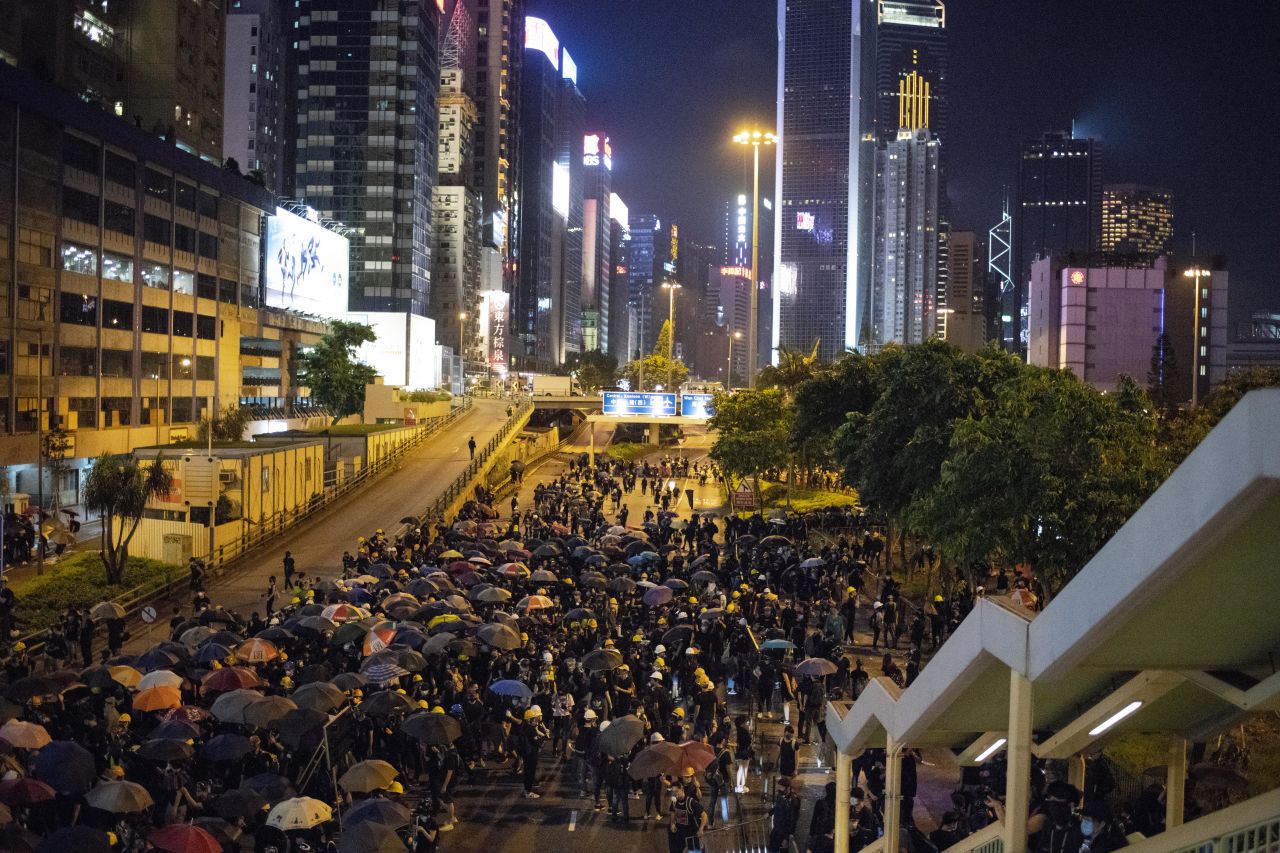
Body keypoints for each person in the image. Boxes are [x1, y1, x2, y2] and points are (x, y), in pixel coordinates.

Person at [668, 775, 708, 853]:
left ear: (682, 790)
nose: (675, 793)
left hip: (691, 832)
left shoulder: (691, 802)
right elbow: (673, 812)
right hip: (679, 831)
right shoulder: (674, 802)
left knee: (694, 851)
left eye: (676, 791)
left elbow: (704, 815)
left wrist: (701, 829)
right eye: (673, 792)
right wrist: (672, 824)